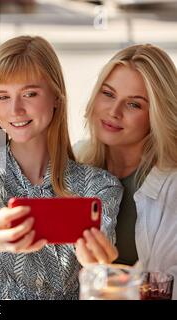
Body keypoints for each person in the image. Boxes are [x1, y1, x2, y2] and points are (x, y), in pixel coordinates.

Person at [0, 35, 123, 300]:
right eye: (3, 96)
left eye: (29, 94)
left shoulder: (100, 186)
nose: (15, 109)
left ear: (55, 97)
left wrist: (99, 264)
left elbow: (103, 245)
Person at [75, 44, 177, 299]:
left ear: (156, 115)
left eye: (133, 104)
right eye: (108, 94)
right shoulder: (74, 160)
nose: (114, 111)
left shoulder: (172, 186)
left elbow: (167, 288)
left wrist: (108, 275)